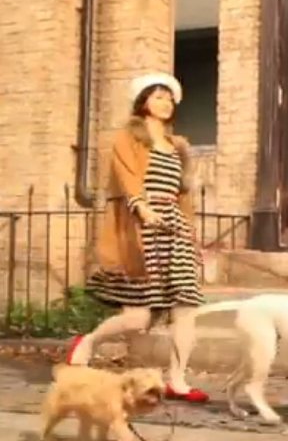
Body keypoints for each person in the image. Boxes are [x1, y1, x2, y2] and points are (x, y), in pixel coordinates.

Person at [65, 72, 209, 403]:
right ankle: (88, 341)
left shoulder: (178, 146)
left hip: (174, 229)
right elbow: (128, 179)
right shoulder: (128, 139)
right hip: (141, 228)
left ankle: (177, 380)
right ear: (143, 102)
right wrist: (142, 208)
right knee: (139, 317)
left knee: (186, 305)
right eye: (158, 96)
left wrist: (190, 235)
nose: (166, 103)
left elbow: (182, 196)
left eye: (169, 98)